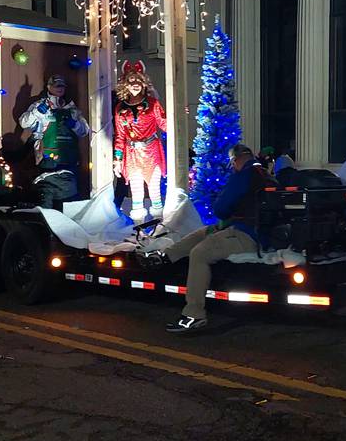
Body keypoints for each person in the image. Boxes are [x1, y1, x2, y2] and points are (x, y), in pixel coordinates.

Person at [141, 144, 276, 333]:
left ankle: (193, 314)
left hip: (247, 236)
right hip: (256, 232)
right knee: (206, 231)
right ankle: (165, 256)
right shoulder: (264, 174)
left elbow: (221, 208)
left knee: (199, 253)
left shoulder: (244, 175)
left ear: (235, 160)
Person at [19, 74, 89, 210]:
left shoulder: (71, 108)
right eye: (56, 85)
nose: (59, 88)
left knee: (68, 202)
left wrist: (74, 124)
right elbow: (24, 123)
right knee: (47, 199)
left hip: (68, 159)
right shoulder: (40, 105)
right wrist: (37, 113)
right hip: (47, 160)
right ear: (49, 87)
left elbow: (84, 131)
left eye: (62, 86)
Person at [113, 60, 167, 223]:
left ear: (144, 84)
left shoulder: (153, 104)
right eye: (131, 81)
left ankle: (159, 227)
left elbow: (164, 124)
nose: (135, 84)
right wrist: (117, 160)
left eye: (138, 81)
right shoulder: (121, 108)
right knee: (136, 193)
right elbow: (120, 136)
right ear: (125, 85)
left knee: (154, 190)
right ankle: (139, 229)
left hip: (151, 152)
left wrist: (178, 115)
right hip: (132, 155)